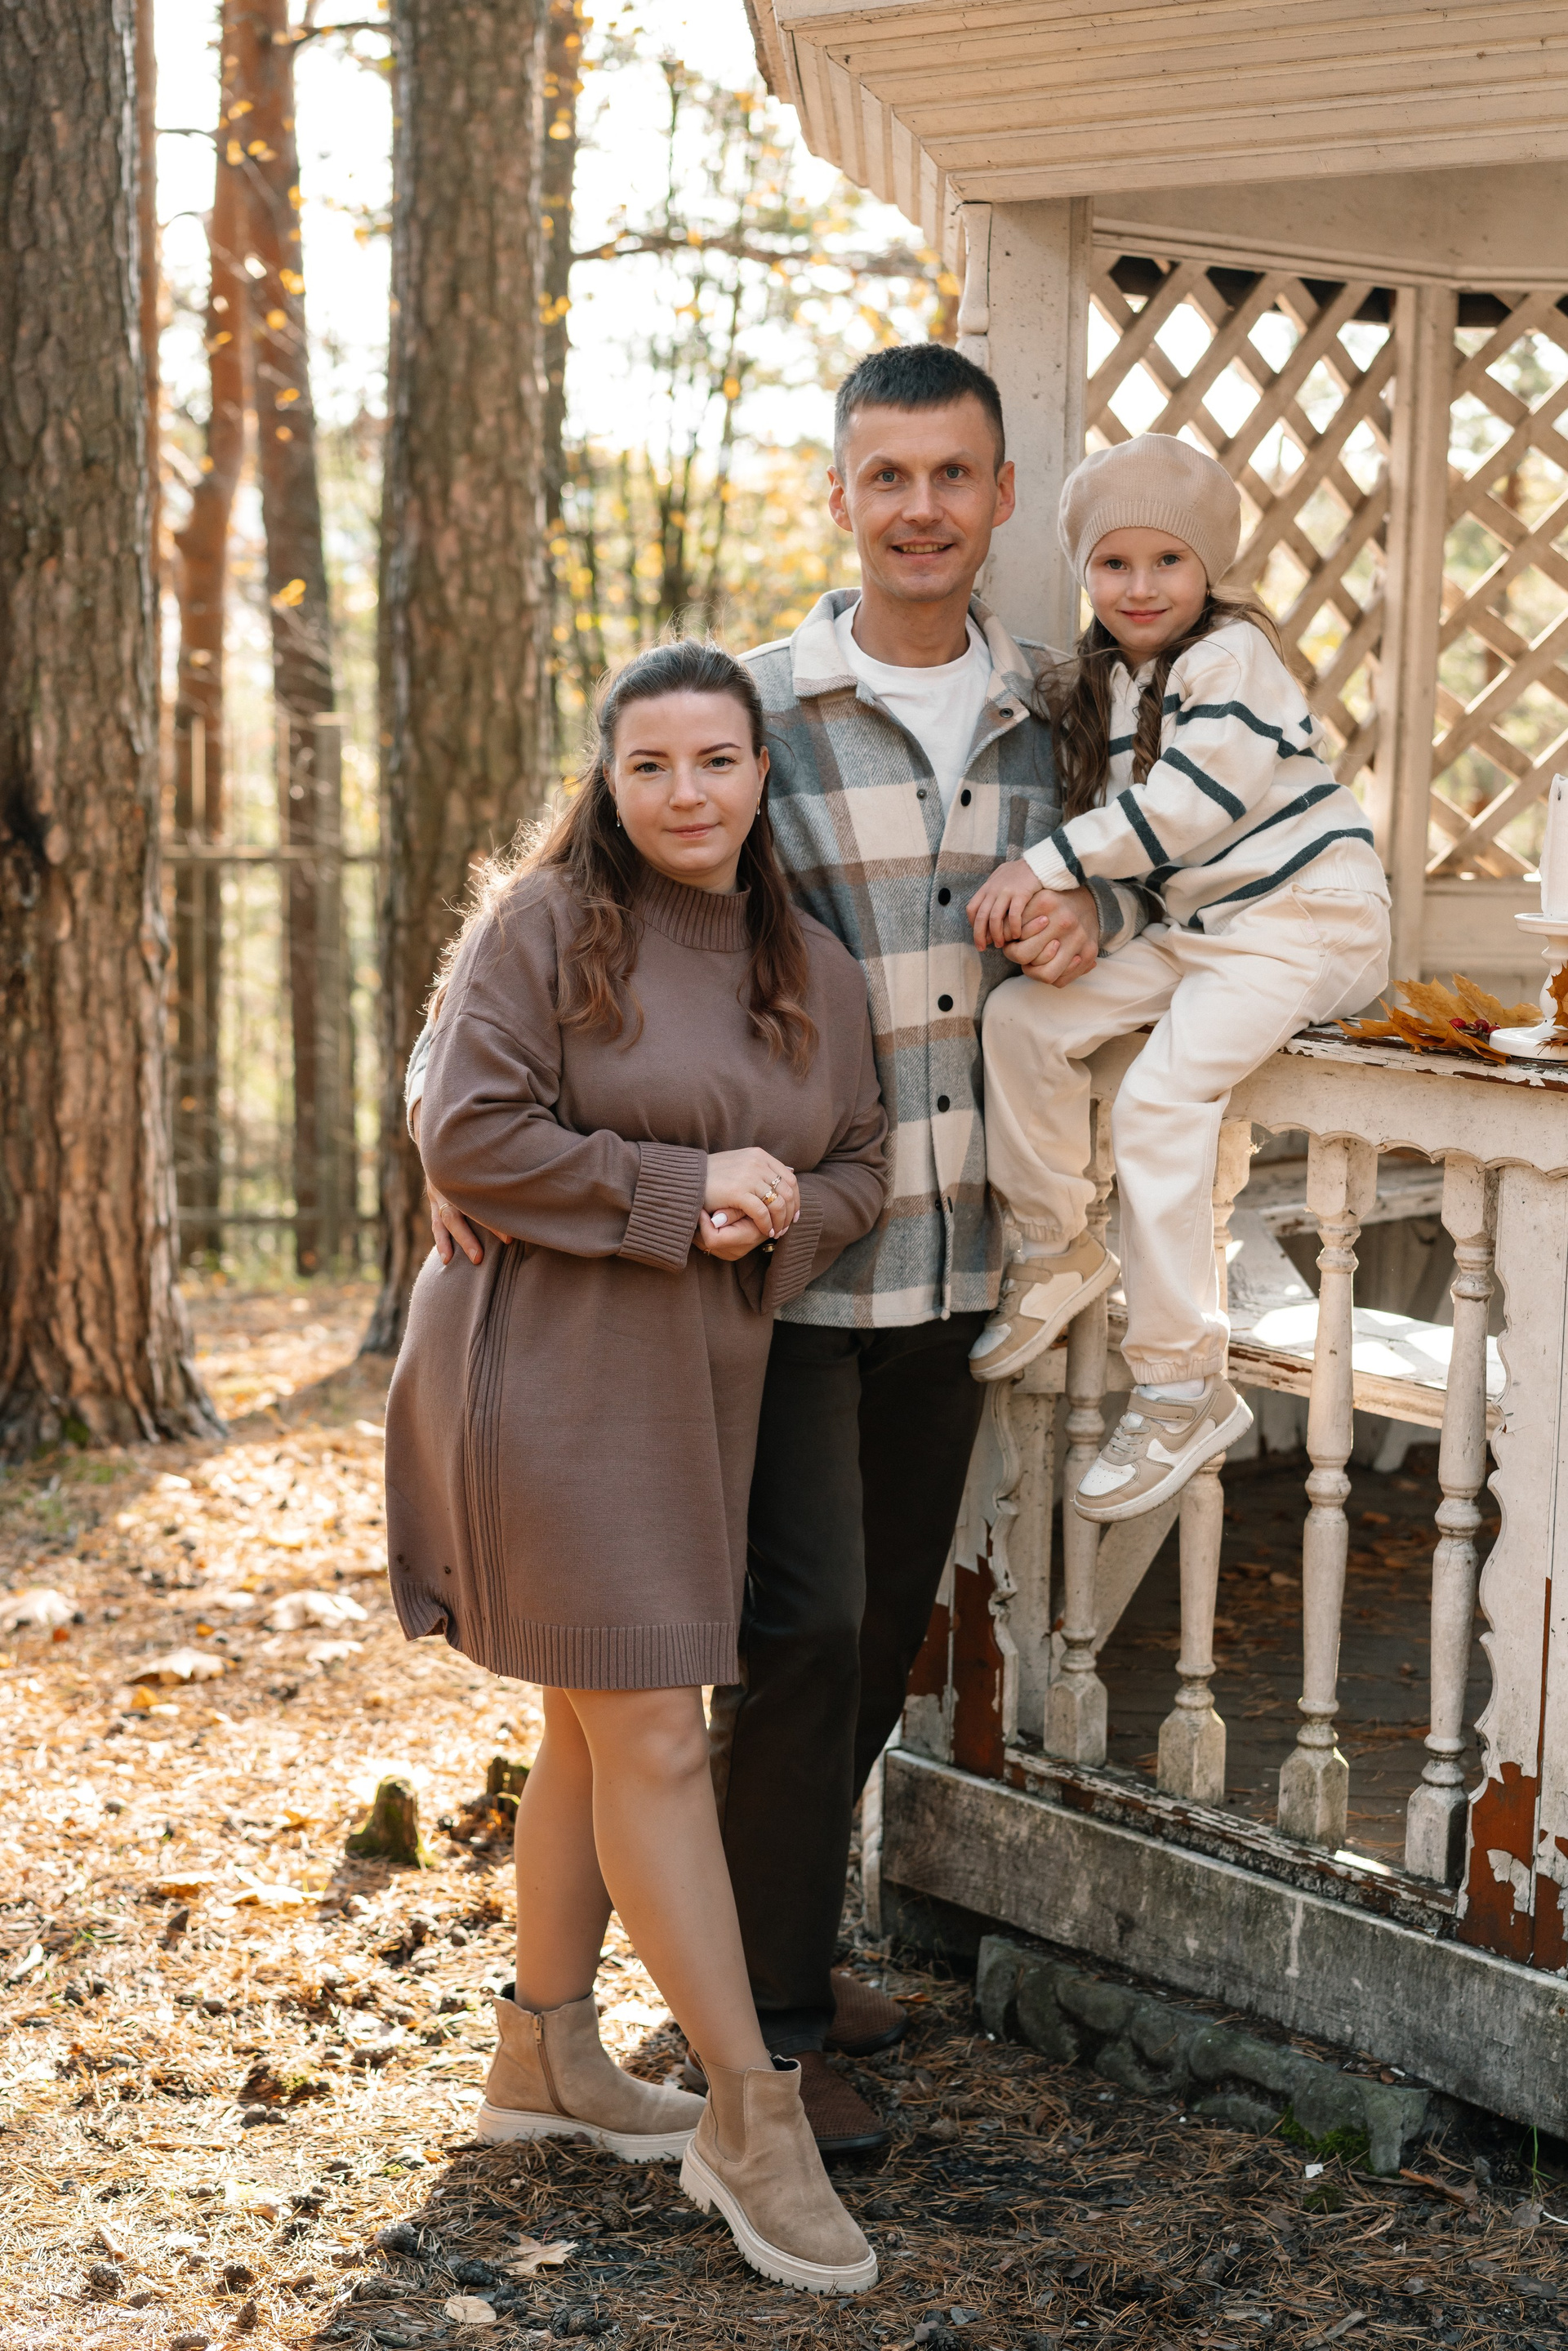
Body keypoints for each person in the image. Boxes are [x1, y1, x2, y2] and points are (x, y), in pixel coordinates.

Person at [411, 345, 1158, 2155]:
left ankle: (780, 1954)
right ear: (840, 495)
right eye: (885, 475)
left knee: (876, 1636)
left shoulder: (1063, 719)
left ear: (1000, 498)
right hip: (771, 1287)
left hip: (954, 1242)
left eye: (953, 475)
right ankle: (769, 2031)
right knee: (795, 1632)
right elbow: (557, 914)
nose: (920, 508)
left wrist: (1103, 917)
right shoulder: (750, 708)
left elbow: (1153, 879)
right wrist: (442, 1128)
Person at [386, 639, 889, 2295]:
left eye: (717, 760)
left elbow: (861, 1156)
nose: (687, 793)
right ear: (608, 780)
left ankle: (544, 2054)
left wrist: (779, 1214)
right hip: (544, 1372)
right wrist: (685, 1192)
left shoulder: (815, 969)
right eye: (651, 764)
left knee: (593, 1725)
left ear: (762, 774)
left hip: (702, 1387)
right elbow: (470, 1132)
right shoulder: (544, 927)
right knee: (655, 1730)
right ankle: (753, 2114)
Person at [967, 433, 1392, 1519]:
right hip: (1209, 926)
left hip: (1306, 916)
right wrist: (1081, 914)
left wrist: (1045, 867)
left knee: (1158, 1101)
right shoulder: (1114, 686)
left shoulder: (1229, 658)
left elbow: (1192, 808)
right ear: (1085, 572)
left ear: (1210, 568)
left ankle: (1179, 1384)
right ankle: (1057, 1247)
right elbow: (1153, 868)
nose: (1141, 585)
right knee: (1022, 1019)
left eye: (1169, 560)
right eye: (1114, 563)